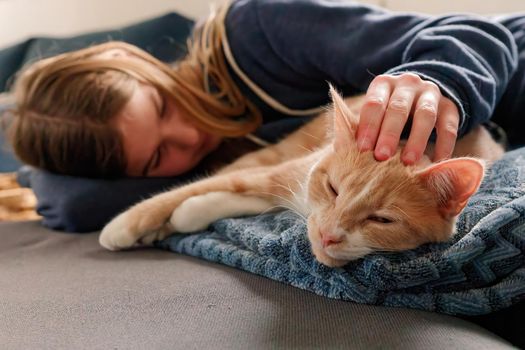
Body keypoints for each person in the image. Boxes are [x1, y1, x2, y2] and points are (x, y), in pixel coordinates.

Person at [6, 0, 525, 179]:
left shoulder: (259, 29)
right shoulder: (215, 161)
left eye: (160, 106)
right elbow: (72, 203)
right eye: (156, 156)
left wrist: (441, 81)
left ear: (126, 58)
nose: (189, 135)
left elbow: (474, 33)